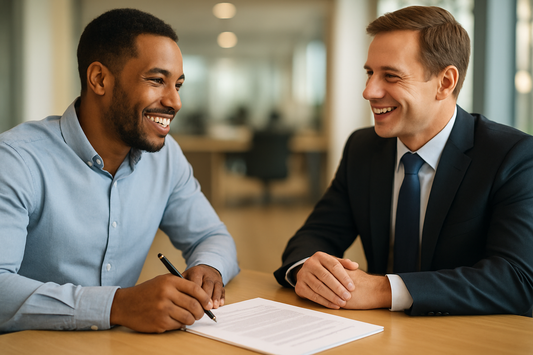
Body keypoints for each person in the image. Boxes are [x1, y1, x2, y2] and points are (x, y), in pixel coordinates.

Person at [274, 5, 533, 316]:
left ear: (445, 82)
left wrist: (383, 289)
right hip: (380, 334)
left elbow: (516, 279)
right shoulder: (363, 147)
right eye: (370, 73)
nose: (369, 91)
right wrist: (307, 269)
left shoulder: (513, 156)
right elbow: (318, 233)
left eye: (391, 76)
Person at [0, 8, 239, 333]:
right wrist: (117, 305)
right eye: (157, 80)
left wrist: (209, 267)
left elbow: (212, 236)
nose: (175, 102)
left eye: (177, 85)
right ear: (99, 79)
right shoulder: (17, 160)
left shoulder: (165, 158)